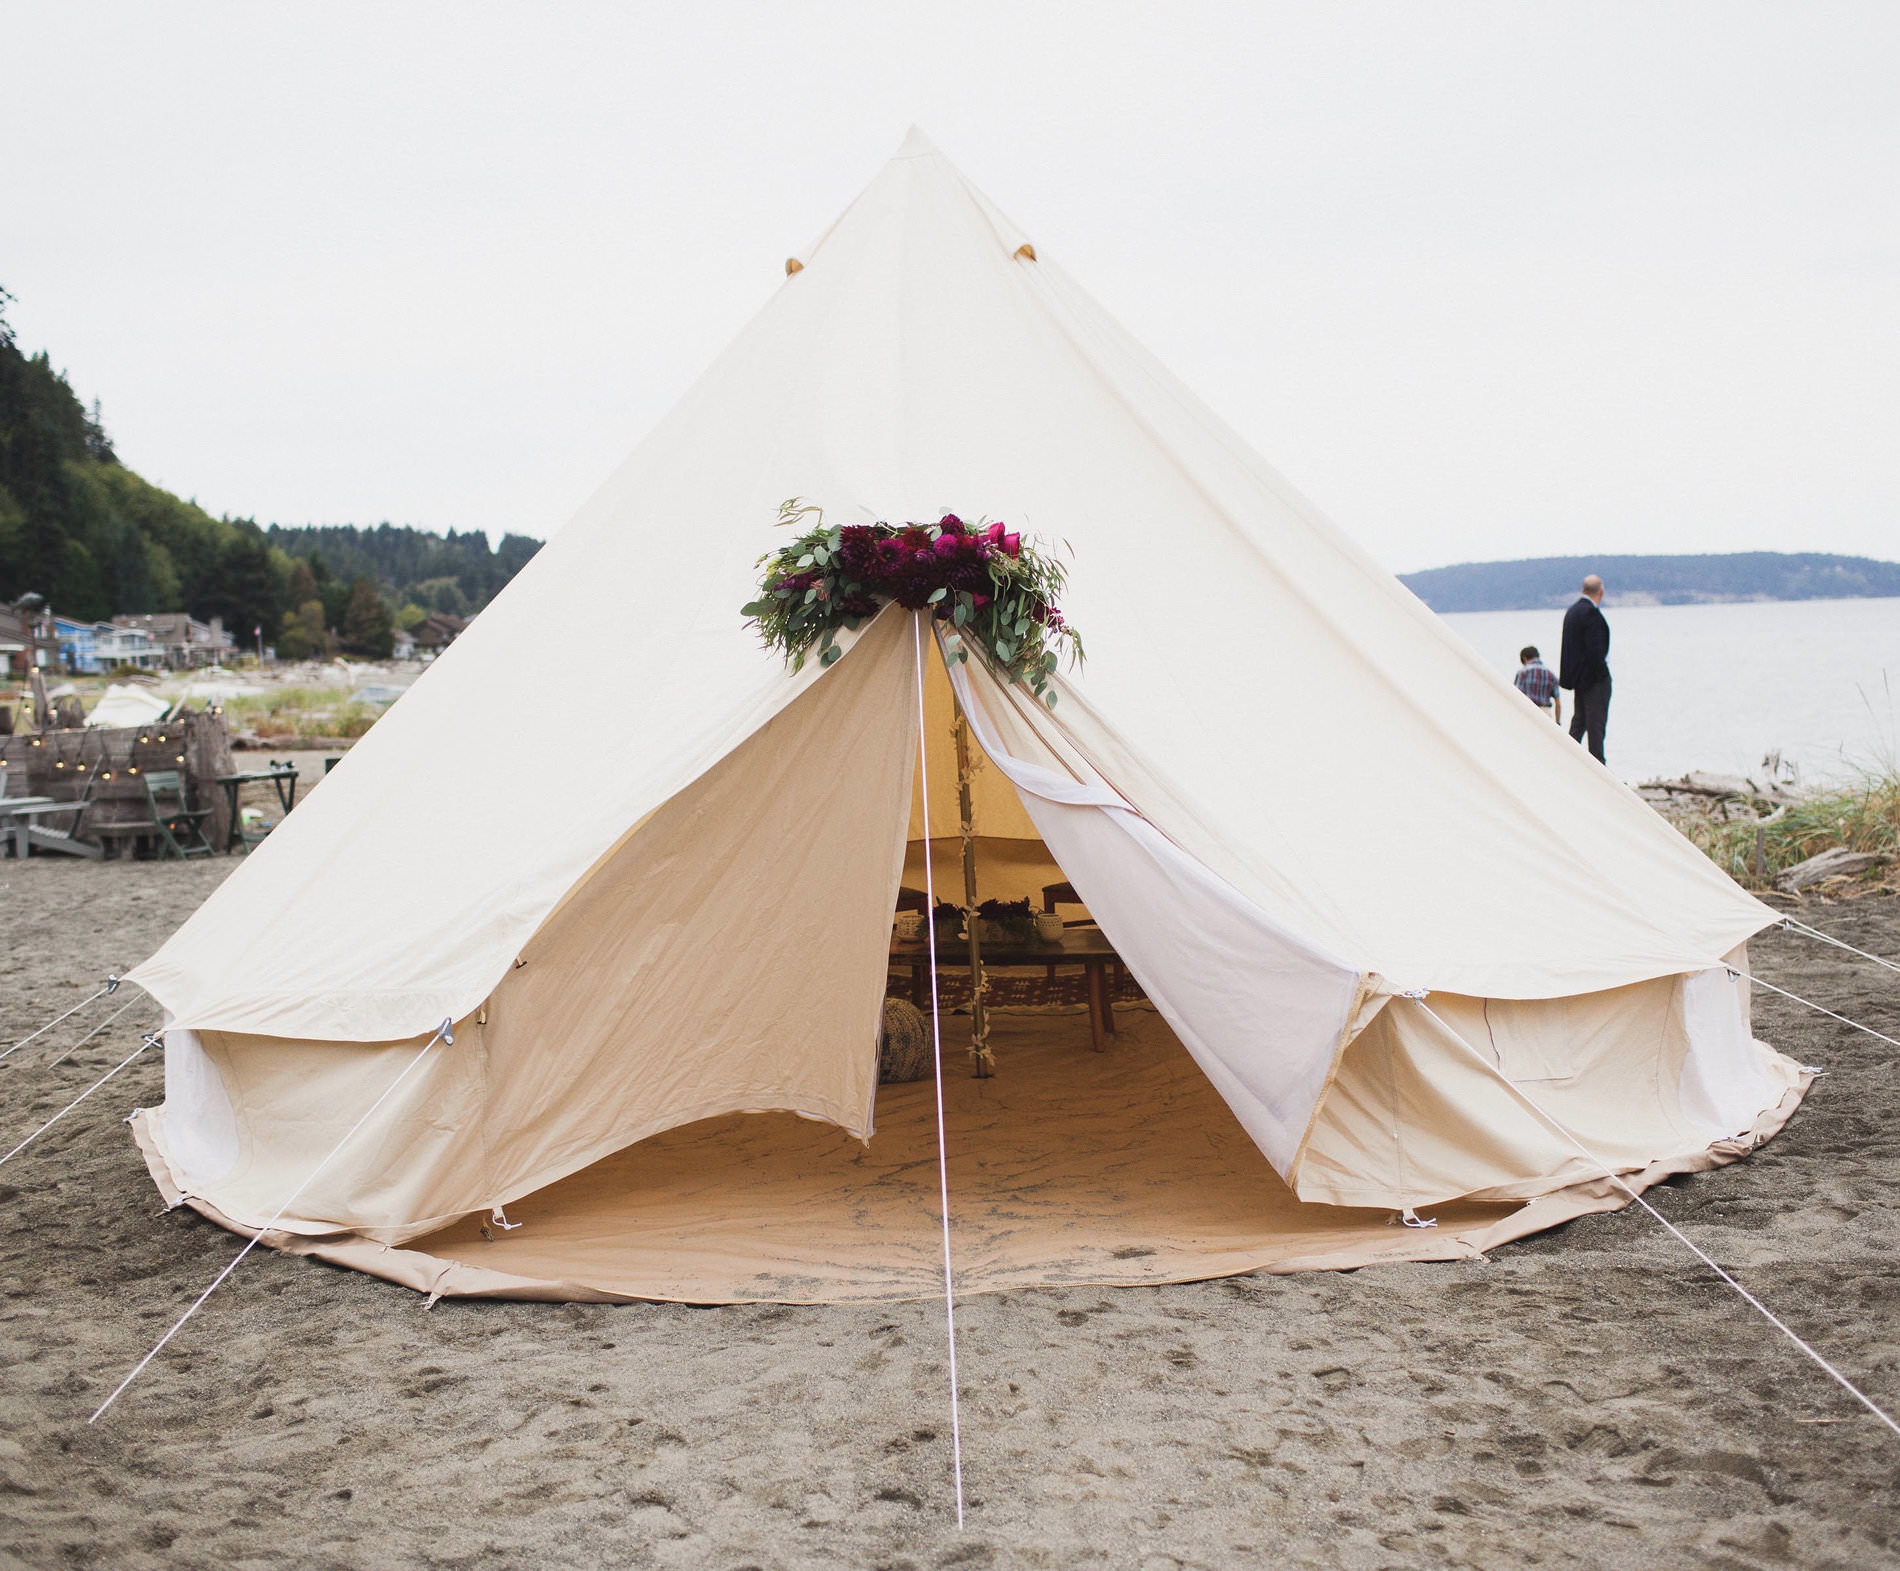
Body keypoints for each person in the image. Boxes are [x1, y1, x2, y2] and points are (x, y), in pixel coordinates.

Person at [1559, 573, 1611, 763]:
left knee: (1579, 723)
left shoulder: (1572, 612)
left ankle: (1565, 760)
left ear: (1583, 589)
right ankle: (1598, 767)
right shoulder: (1591, 614)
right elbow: (1594, 651)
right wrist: (1602, 675)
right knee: (1596, 726)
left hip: (1579, 678)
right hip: (1593, 680)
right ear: (1601, 592)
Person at [1513, 646, 1562, 725]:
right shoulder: (1551, 674)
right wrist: (1558, 722)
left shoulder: (1523, 672)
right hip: (1546, 713)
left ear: (1524, 658)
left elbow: (1516, 696)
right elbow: (1558, 702)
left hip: (1528, 712)